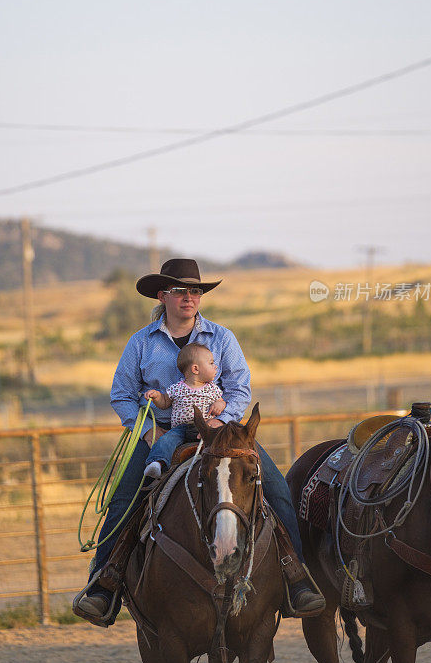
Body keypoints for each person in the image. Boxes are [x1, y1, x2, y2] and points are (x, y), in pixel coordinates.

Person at [75, 258, 324, 624]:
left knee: (277, 489)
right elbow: (122, 394)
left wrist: (219, 424)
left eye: (195, 290)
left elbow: (240, 388)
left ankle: (295, 576)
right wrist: (148, 432)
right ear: (163, 295)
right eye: (180, 291)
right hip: (162, 432)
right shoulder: (141, 343)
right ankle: (104, 583)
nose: (189, 297)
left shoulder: (222, 337)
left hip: (224, 434)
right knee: (125, 497)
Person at [143, 343, 226, 479]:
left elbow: (221, 401)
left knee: (219, 441)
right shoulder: (177, 388)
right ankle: (156, 463)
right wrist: (157, 397)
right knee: (166, 440)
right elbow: (164, 403)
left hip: (205, 427)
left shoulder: (212, 388)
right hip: (180, 428)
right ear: (195, 369)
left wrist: (219, 404)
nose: (215, 366)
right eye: (211, 363)